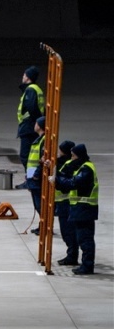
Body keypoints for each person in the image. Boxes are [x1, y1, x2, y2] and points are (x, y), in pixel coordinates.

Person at [52, 144, 98, 275]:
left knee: (85, 239)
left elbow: (72, 183)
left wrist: (57, 178)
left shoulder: (86, 169)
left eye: (73, 156)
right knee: (82, 238)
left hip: (85, 209)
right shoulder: (81, 167)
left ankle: (87, 266)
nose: (71, 158)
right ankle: (85, 264)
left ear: (79, 156)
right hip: (80, 209)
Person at [15, 66, 45, 188]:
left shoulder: (31, 90)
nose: (22, 76)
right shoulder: (36, 89)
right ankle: (31, 179)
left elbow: (32, 108)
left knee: (26, 156)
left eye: (24, 74)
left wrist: (37, 123)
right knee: (30, 156)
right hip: (31, 126)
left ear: (28, 77)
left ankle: (31, 180)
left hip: (29, 127)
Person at [53, 140, 79, 265]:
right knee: (68, 231)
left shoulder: (66, 164)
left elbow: (63, 184)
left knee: (68, 231)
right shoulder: (65, 163)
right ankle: (71, 255)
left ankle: (72, 256)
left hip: (65, 202)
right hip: (63, 201)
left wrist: (54, 178)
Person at [25, 116, 46, 233]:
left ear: (39, 126)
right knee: (37, 204)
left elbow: (41, 161)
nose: (34, 125)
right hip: (33, 176)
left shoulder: (43, 140)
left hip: (37, 177)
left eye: (36, 123)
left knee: (40, 204)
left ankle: (45, 226)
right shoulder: (39, 139)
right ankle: (42, 224)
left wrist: (36, 175)